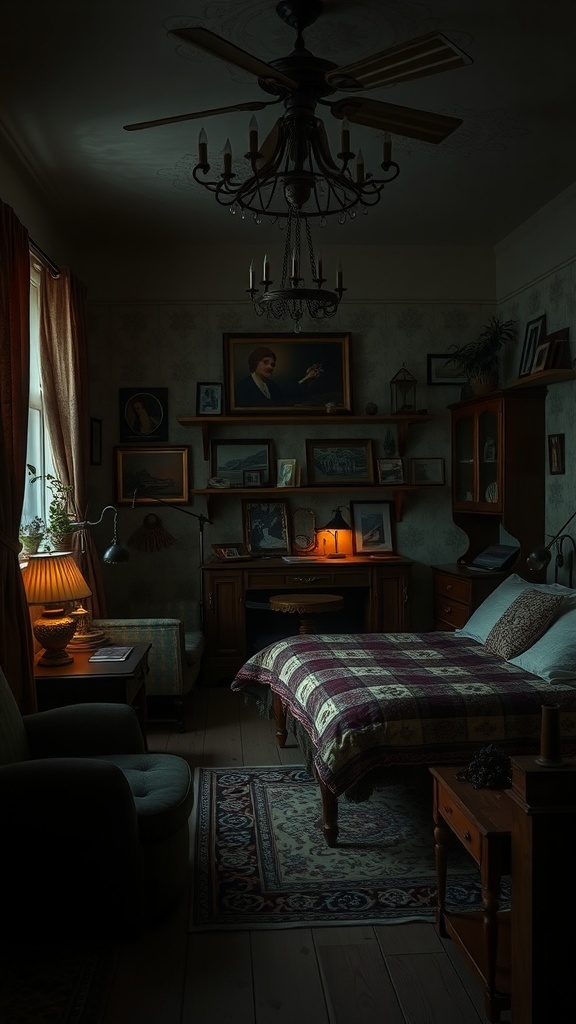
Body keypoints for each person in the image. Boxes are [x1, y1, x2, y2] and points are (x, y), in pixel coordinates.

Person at [234, 346, 323, 408]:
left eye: (272, 364)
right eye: (265, 362)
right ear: (255, 363)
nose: (270, 367)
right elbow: (272, 405)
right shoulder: (243, 385)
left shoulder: (271, 385)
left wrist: (307, 378)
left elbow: (286, 398)